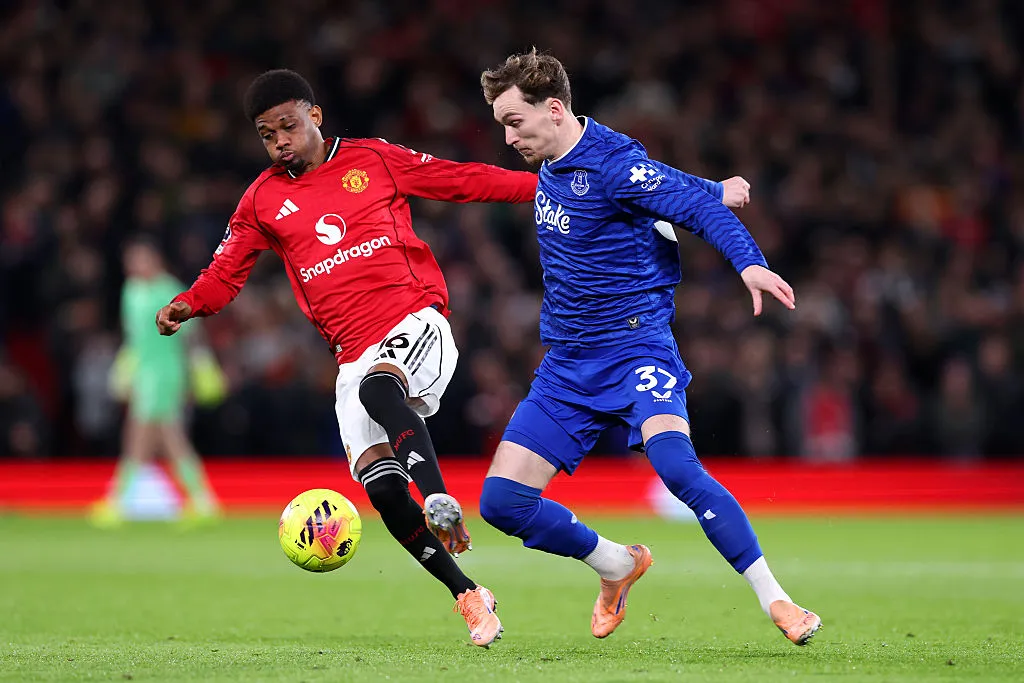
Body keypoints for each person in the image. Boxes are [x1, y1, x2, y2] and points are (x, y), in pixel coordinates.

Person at [155, 69, 538, 647]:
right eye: (266, 134)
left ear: (316, 116)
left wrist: (547, 189)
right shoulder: (262, 199)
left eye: (288, 125)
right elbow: (225, 273)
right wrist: (187, 303)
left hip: (416, 321)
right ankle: (468, 595)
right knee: (383, 490)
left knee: (381, 389)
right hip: (350, 358)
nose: (280, 141)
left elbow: (459, 180)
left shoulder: (373, 160)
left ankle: (437, 496)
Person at [476, 49, 821, 645]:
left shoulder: (610, 162)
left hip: (637, 350)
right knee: (502, 502)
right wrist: (716, 184)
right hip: (566, 366)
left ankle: (779, 602)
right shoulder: (558, 165)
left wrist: (749, 264)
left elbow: (686, 207)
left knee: (675, 467)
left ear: (553, 110)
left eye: (514, 122)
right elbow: (671, 186)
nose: (508, 138)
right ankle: (615, 563)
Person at [92, 237, 220, 526]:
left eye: (141, 259)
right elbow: (133, 339)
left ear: (155, 260)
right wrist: (125, 371)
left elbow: (191, 336)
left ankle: (118, 502)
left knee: (139, 436)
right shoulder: (131, 292)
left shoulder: (168, 290)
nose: (135, 266)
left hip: (165, 372)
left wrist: (198, 371)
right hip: (144, 372)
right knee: (169, 440)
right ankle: (203, 500)